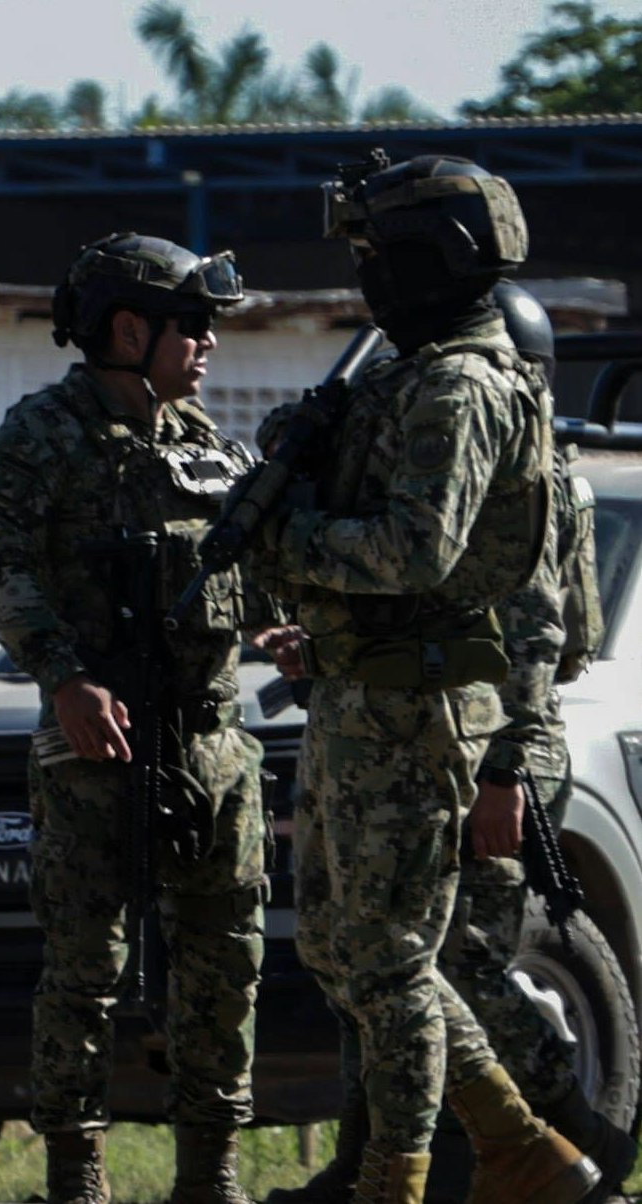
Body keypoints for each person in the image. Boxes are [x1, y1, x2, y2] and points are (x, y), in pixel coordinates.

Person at [254, 152, 598, 1204]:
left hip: (419, 708)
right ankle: (520, 1147)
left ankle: (401, 1179)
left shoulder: (457, 384)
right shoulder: (412, 377)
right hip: (371, 694)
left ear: (426, 257)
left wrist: (286, 531)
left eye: (374, 254)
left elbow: (416, 552)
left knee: (391, 958)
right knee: (340, 945)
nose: (365, 280)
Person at [0, 233, 269, 1204]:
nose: (209, 343)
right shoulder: (42, 435)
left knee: (223, 961)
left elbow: (257, 574)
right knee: (82, 965)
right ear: (129, 329)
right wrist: (63, 676)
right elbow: (0, 570)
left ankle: (209, 1175)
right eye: (193, 325)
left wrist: (289, 625)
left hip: (213, 743)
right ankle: (75, 1173)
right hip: (94, 740)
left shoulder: (210, 446)